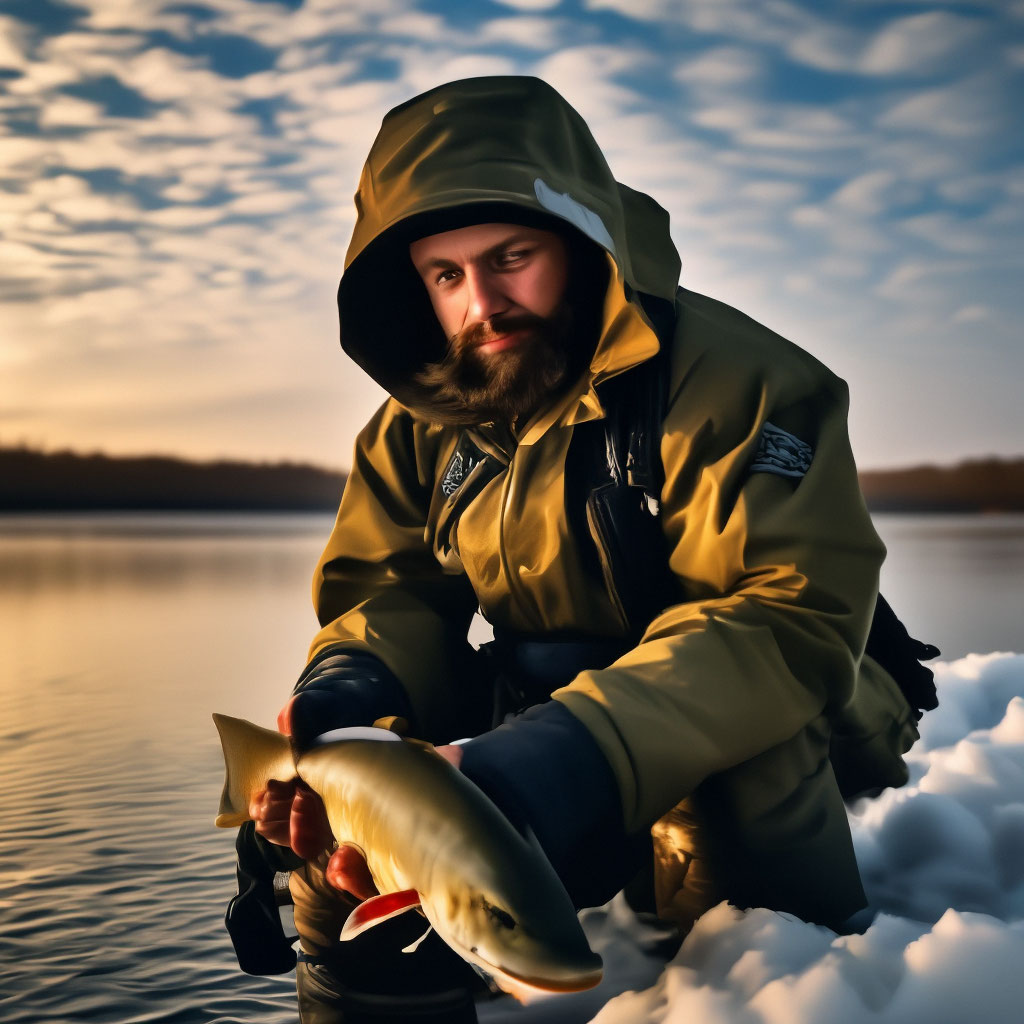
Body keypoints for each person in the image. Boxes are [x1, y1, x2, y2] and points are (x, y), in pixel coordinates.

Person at [245, 76, 926, 1023]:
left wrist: (565, 758)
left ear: (577, 237)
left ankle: (738, 982)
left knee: (740, 822)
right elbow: (388, 588)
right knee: (343, 852)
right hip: (538, 704)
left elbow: (789, 618)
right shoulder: (414, 427)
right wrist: (352, 689)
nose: (482, 303)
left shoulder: (746, 383)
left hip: (750, 707)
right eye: (446, 276)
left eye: (510, 256)